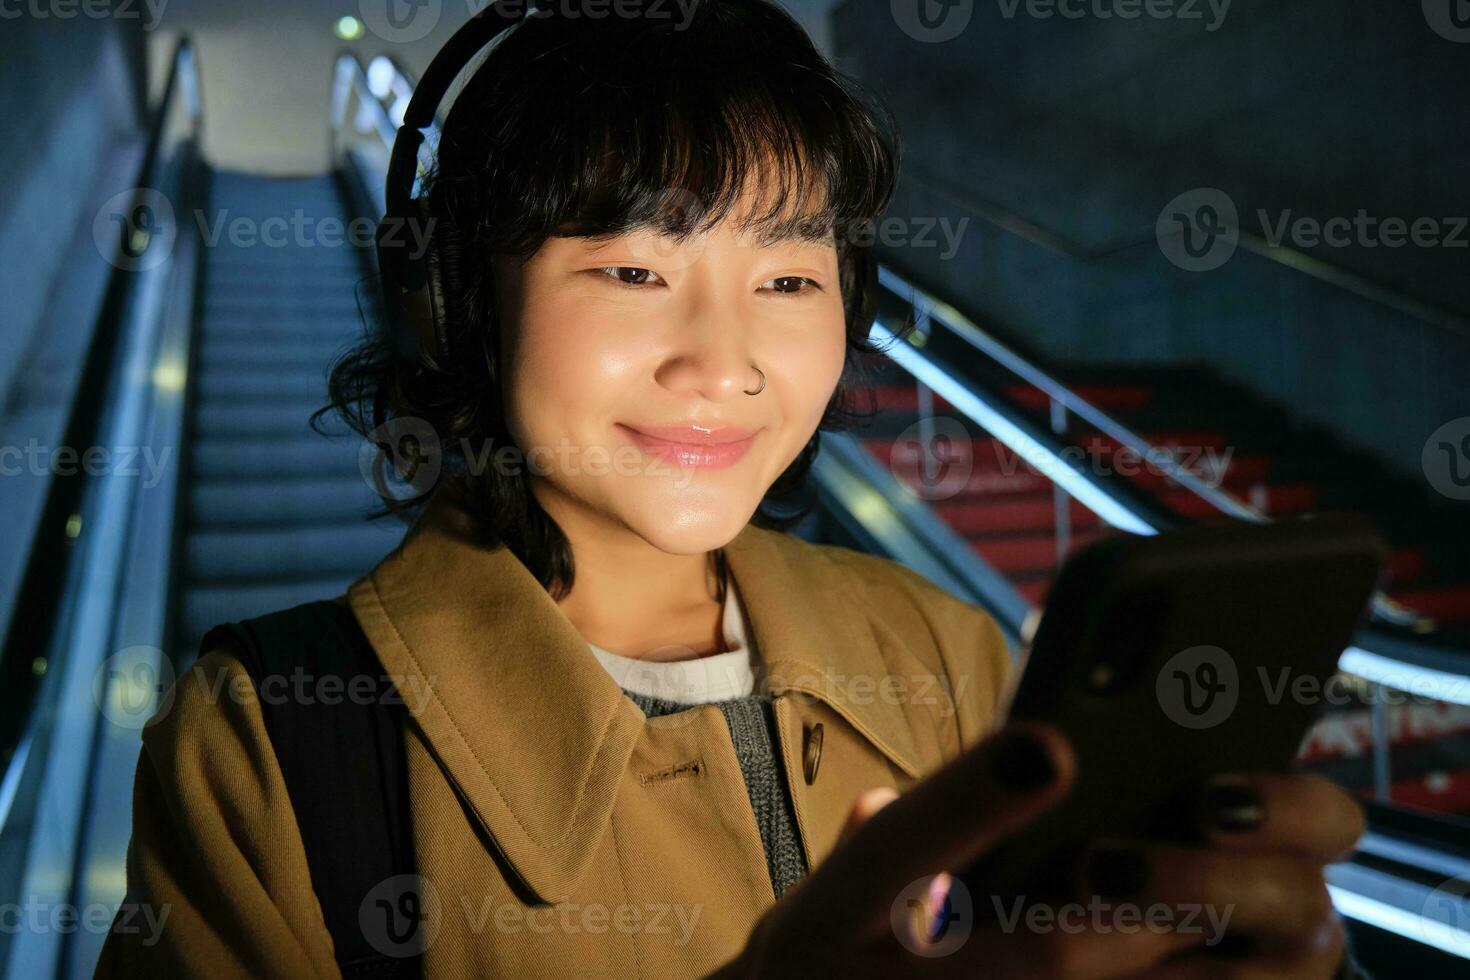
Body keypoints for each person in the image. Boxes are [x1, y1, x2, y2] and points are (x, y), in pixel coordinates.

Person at [97, 1, 1368, 976]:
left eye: (791, 279)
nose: (723, 360)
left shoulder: (942, 655)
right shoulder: (273, 746)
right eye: (634, 271)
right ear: (458, 302)